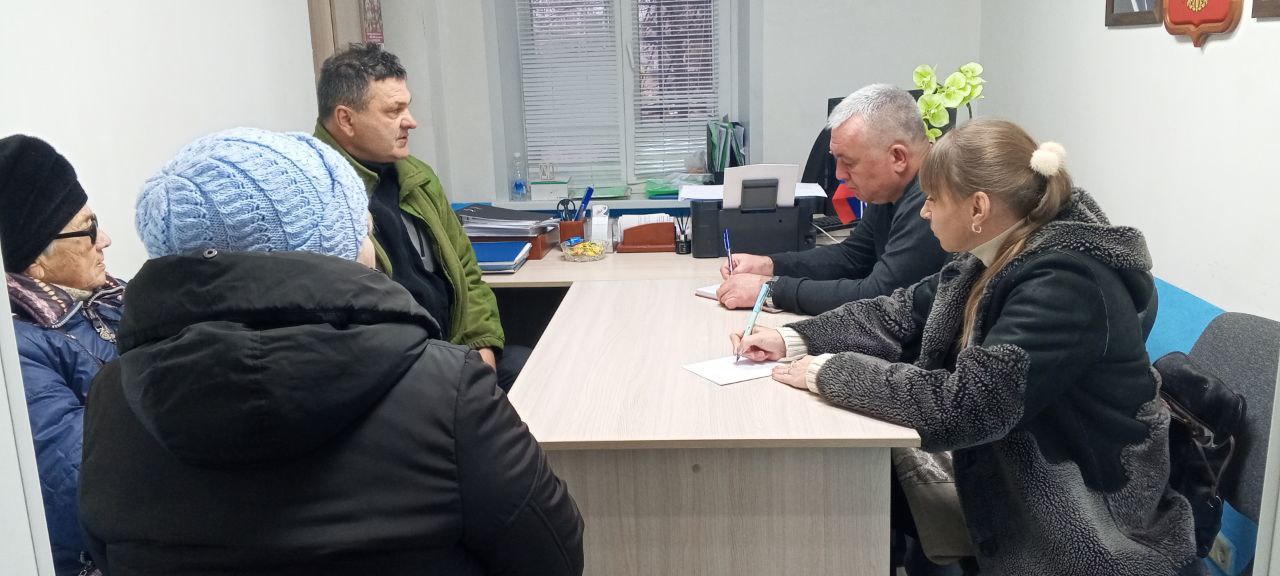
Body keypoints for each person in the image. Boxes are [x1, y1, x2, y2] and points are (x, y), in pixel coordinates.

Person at [79, 128, 584, 575]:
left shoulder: (114, 396)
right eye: (361, 224)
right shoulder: (445, 391)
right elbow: (552, 556)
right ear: (339, 247)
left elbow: (108, 550)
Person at [732, 119, 1200, 575]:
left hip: (1086, 529)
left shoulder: (1064, 284)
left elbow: (966, 408)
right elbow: (899, 312)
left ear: (978, 208)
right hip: (1020, 482)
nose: (924, 212)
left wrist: (829, 371)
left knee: (855, 490)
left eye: (934, 198)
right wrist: (794, 338)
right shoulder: (992, 256)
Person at [312, 43, 527, 391]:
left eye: (407, 106)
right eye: (394, 111)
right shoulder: (315, 195)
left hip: (455, 357)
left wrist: (482, 350)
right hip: (395, 377)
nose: (411, 122)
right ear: (346, 119)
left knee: (538, 372)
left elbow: (468, 275)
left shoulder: (417, 176)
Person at [717, 84, 948, 316]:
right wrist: (769, 265)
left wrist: (770, 290)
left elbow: (880, 296)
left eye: (849, 162)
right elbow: (853, 257)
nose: (839, 174)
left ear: (898, 157)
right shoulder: (891, 190)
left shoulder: (935, 199)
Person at [0, 134, 121, 576]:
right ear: (36, 261)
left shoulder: (115, 297)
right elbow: (82, 489)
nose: (105, 239)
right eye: (88, 229)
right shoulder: (19, 352)